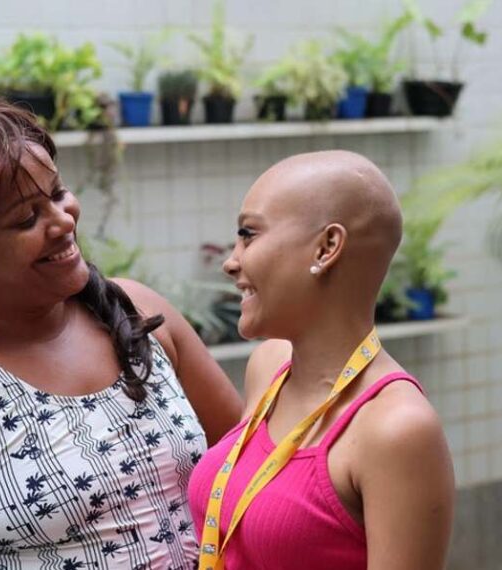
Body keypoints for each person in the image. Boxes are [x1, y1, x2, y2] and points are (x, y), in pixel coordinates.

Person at [0, 99, 243, 570]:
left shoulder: (138, 313)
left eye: (57, 194)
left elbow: (249, 469)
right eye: (26, 219)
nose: (63, 221)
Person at [188, 150, 455, 570]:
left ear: (326, 247)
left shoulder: (396, 428)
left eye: (248, 234)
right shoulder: (268, 368)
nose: (231, 261)